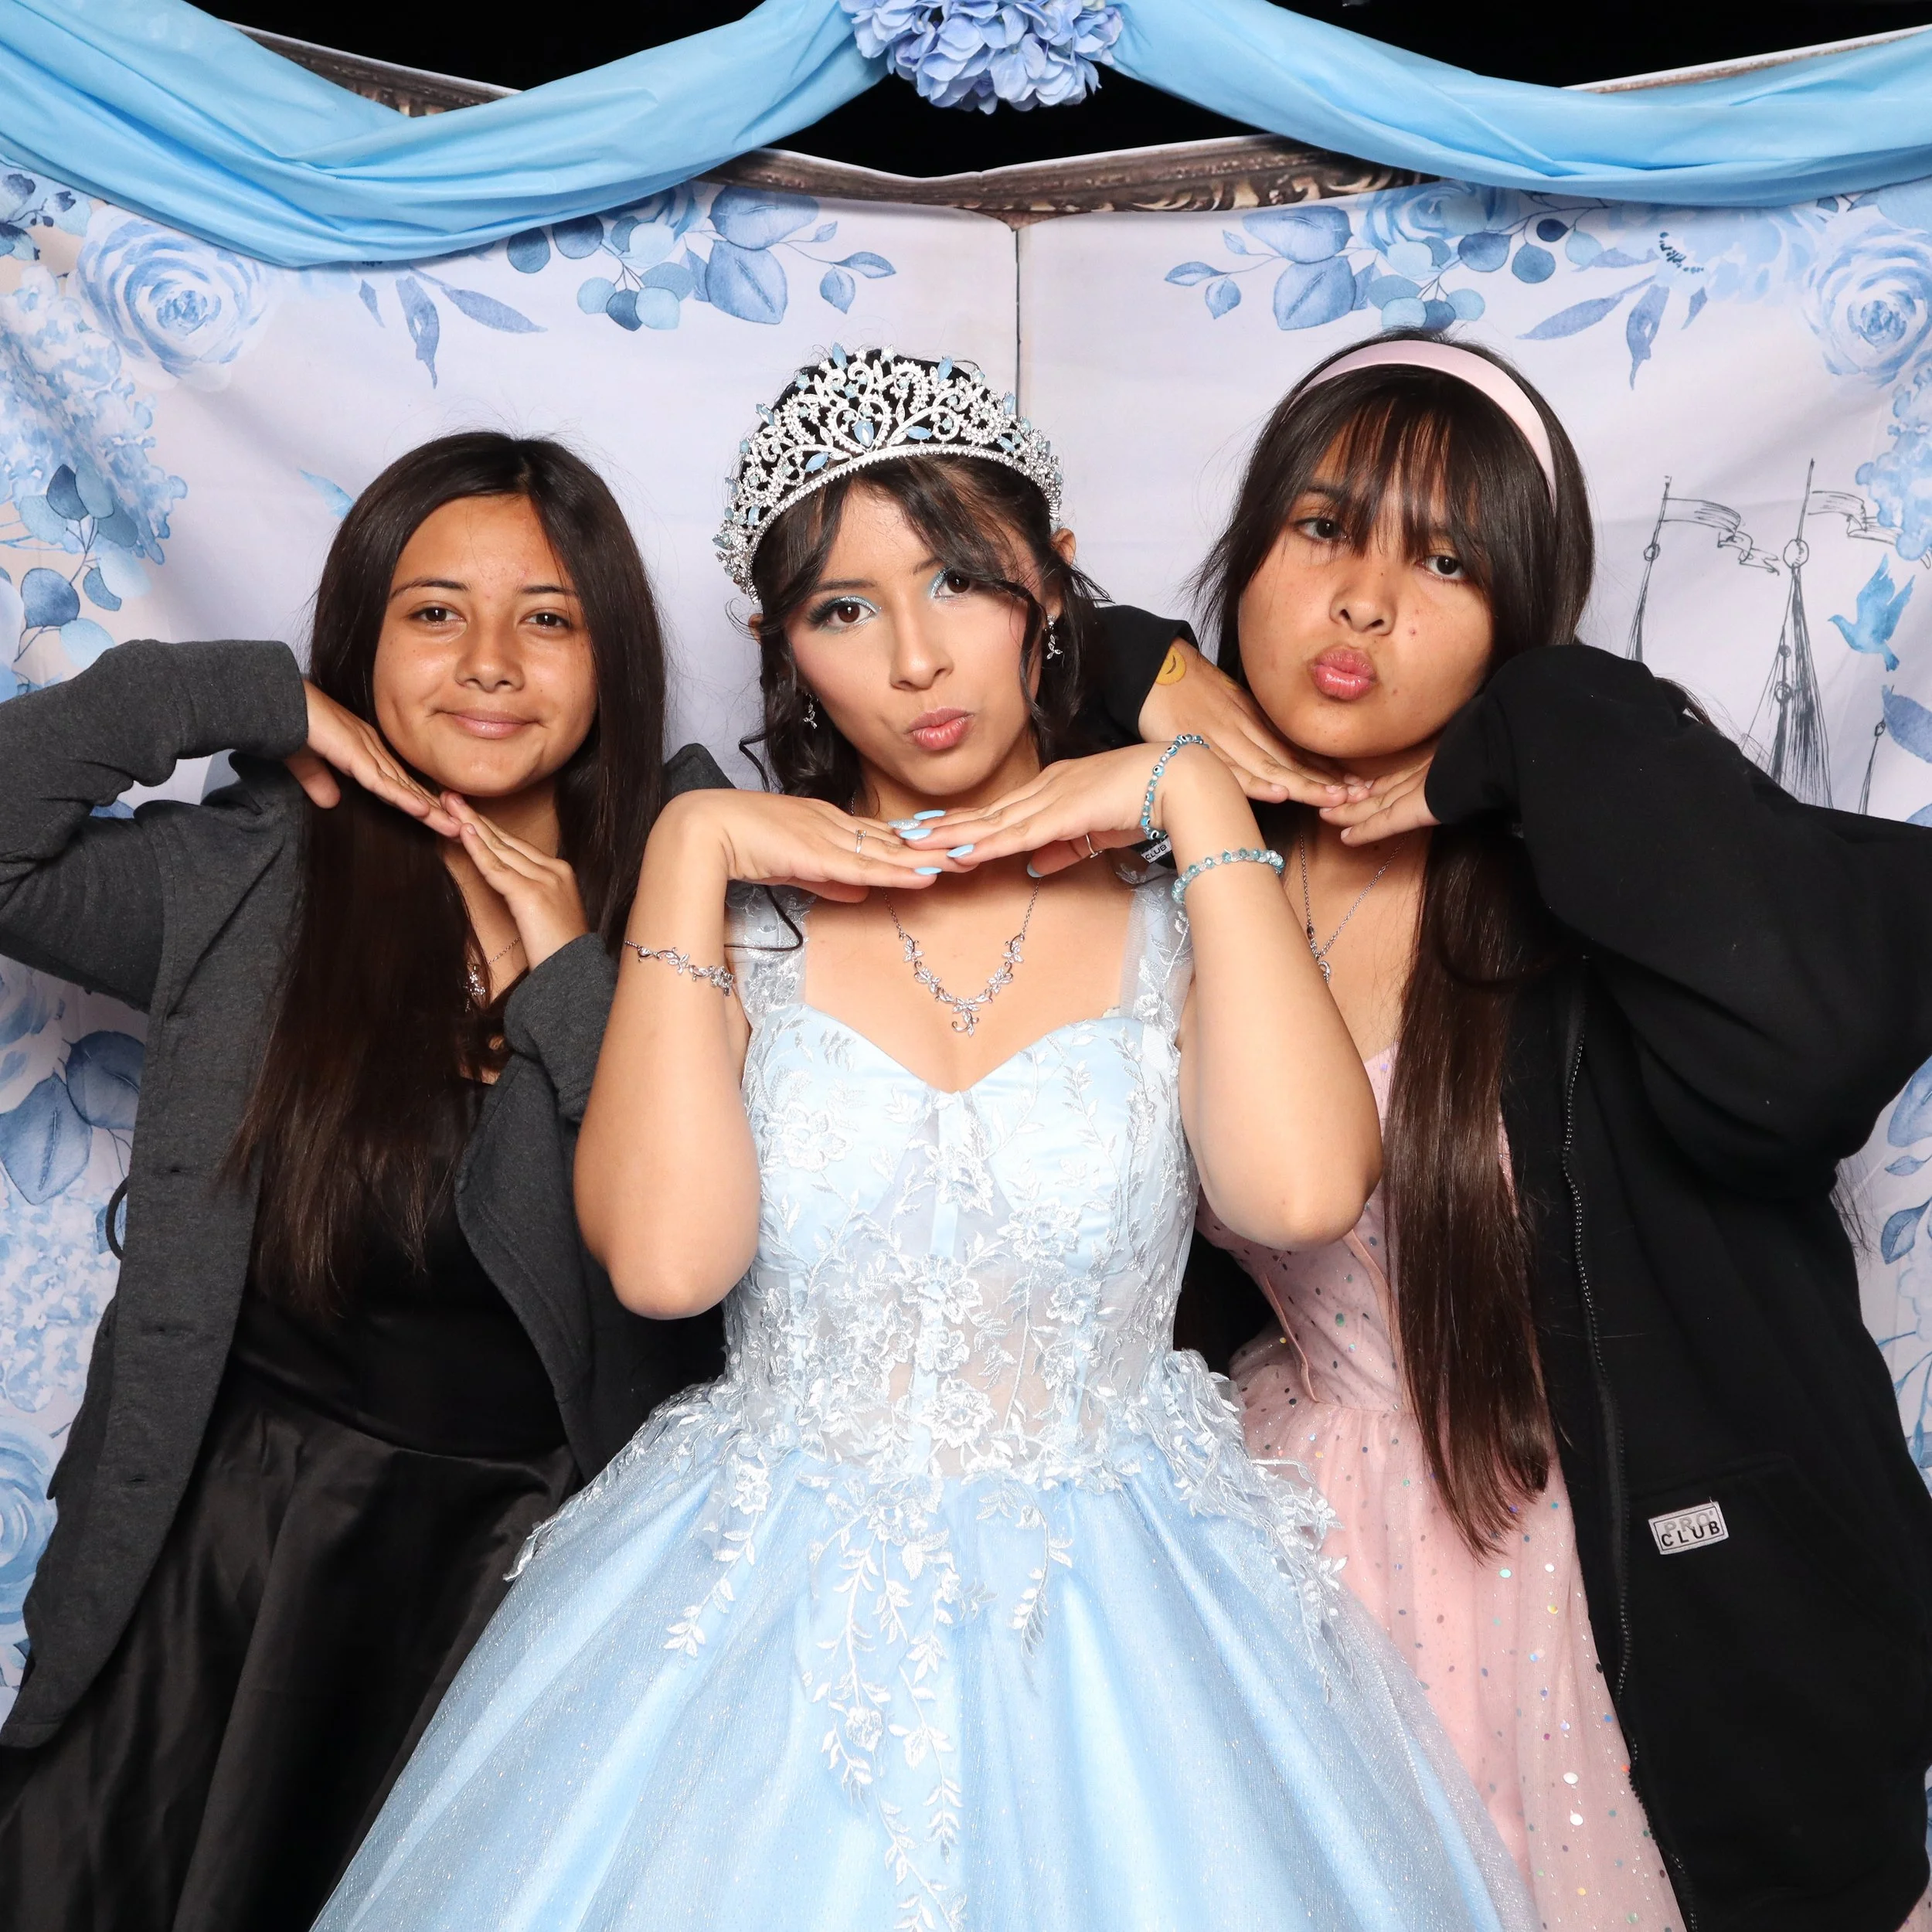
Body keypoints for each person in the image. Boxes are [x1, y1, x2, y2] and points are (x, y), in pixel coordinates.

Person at [315, 348, 1534, 1932]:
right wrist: (690, 849)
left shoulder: (1185, 903)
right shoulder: (734, 914)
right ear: (783, 651)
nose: (913, 657)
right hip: (759, 1615)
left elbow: (1296, 1186)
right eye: (841, 609)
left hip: (1132, 1614)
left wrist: (1202, 801)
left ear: (1049, 589)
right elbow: (671, 1265)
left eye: (958, 580)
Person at [1090, 333, 1932, 1932]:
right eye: (1321, 528)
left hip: (1606, 1578)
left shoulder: (1594, 873)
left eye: (1445, 559)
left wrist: (1528, 724)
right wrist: (1153, 672)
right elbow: (950, 631)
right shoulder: (1181, 878)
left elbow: (1803, 1035)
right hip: (1296, 1564)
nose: (1360, 601)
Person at [0, 433, 727, 1932]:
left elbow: (701, 1257)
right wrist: (247, 696)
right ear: (365, 640)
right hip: (225, 1575)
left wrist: (573, 981)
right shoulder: (252, 880)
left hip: (515, 1592)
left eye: (547, 616)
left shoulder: (699, 894)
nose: (489, 661)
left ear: (609, 657)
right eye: (433, 610)